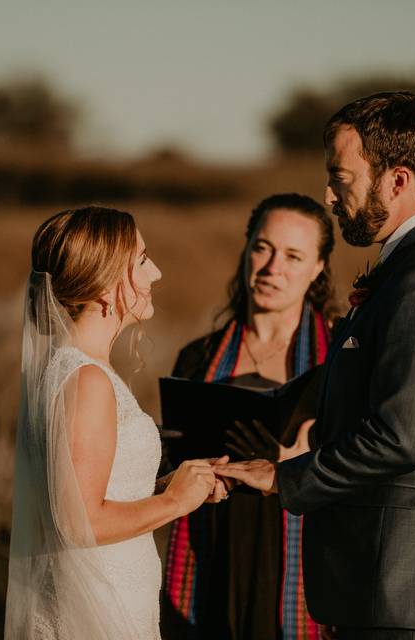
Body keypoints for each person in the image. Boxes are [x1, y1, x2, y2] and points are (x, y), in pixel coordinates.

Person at [216, 92, 415, 639]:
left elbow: (401, 437)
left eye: (341, 178)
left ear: (398, 180)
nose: (328, 195)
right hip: (386, 585)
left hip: (408, 588)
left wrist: (285, 478)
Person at [4, 206, 228, 640]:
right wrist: (175, 503)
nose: (157, 273)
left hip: (115, 593)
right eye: (142, 261)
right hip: (96, 608)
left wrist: (176, 485)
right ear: (106, 285)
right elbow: (78, 522)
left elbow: (88, 491)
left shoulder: (77, 371)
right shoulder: (86, 380)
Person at [162, 193, 338, 640]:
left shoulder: (338, 361)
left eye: (293, 255)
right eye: (263, 248)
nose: (272, 267)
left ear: (318, 267)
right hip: (213, 546)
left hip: (298, 553)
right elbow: (169, 467)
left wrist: (304, 459)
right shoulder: (198, 358)